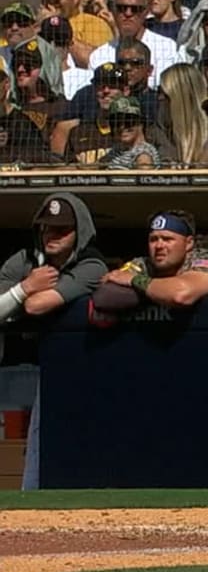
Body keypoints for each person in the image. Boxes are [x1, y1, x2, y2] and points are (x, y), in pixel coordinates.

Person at [0, 194, 104, 490]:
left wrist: (22, 297)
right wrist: (25, 287)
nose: (52, 236)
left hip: (72, 366)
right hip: (15, 365)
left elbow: (37, 307)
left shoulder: (91, 264)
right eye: (47, 228)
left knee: (51, 444)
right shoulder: (23, 261)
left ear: (78, 232)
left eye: (61, 230)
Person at [96, 210, 208, 310]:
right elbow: (105, 297)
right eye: (153, 239)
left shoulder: (207, 262)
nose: (159, 246)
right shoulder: (142, 264)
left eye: (167, 239)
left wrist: (135, 281)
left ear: (189, 243)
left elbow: (181, 295)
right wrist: (158, 292)